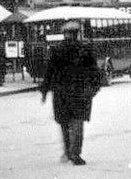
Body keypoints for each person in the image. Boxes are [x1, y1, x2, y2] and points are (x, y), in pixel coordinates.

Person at [40, 21, 100, 165]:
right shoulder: (85, 50)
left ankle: (68, 151)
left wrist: (44, 90)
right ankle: (75, 153)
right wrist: (94, 88)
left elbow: (49, 72)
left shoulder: (56, 50)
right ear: (77, 34)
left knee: (65, 124)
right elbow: (95, 72)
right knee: (77, 123)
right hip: (80, 92)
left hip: (61, 93)